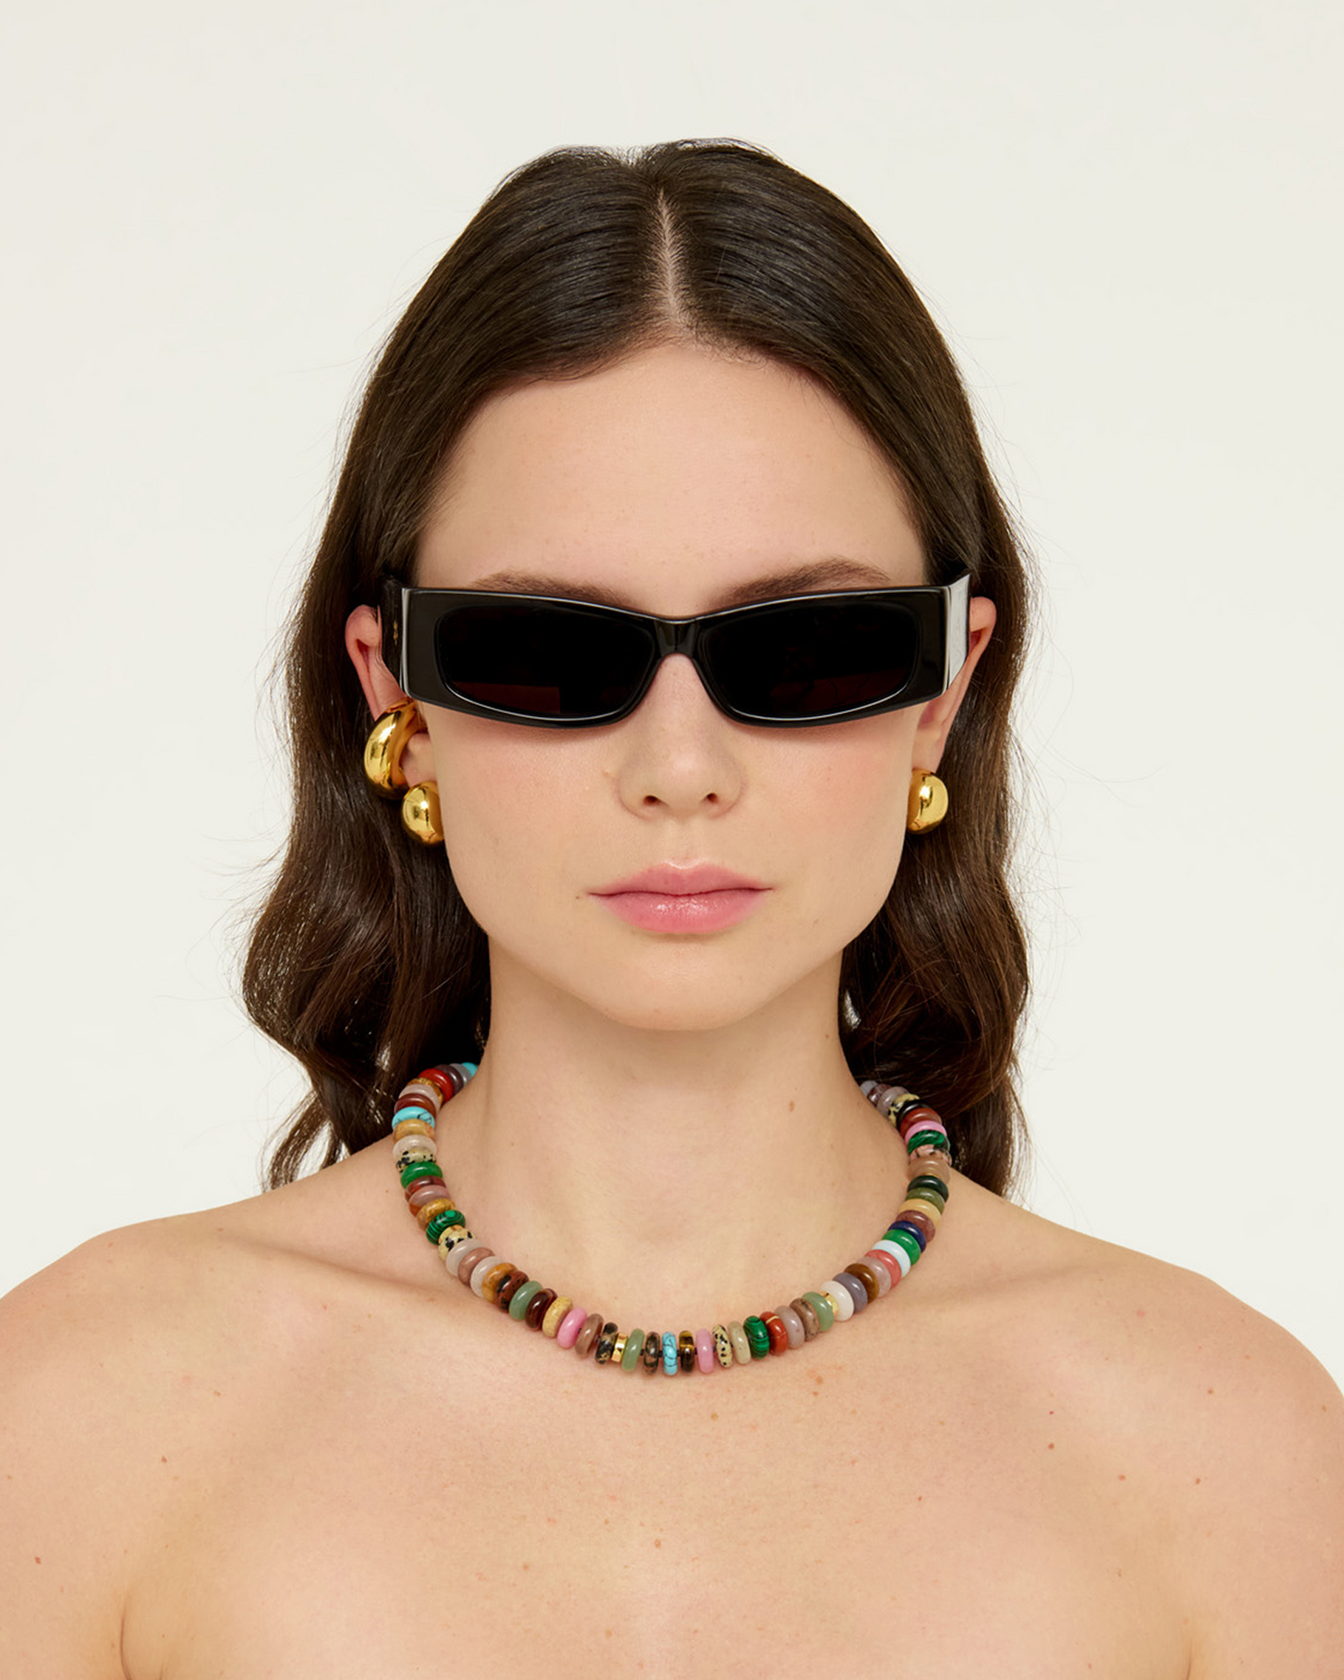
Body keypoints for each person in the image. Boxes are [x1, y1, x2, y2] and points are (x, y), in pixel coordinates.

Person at [1, 138, 1340, 1677]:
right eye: (544, 652)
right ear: (398, 702)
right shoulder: (81, 1418)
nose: (680, 770)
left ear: (944, 693)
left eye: (809, 650)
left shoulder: (1226, 1458)